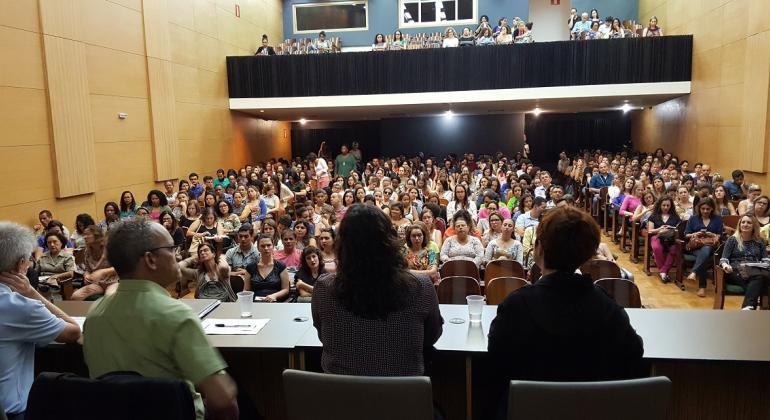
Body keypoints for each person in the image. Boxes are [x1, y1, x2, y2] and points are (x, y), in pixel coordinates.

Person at [487, 207, 644, 418]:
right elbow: (633, 354)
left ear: (539, 250)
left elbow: (496, 362)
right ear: (588, 254)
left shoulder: (516, 305)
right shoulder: (607, 307)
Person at [82, 219, 239, 420]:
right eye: (171, 248)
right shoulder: (176, 315)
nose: (176, 255)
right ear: (150, 259)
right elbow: (223, 399)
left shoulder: (94, 316)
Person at [311, 204, 442, 375]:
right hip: (402, 394)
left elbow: (324, 336)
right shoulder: (421, 286)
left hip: (342, 397)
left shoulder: (324, 288)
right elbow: (432, 336)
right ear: (390, 242)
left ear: (342, 245)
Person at [0, 222, 81, 418]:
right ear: (21, 264)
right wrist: (32, 293)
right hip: (13, 410)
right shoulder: (18, 306)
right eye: (29, 260)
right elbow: (74, 331)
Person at [719, 216, 770, 310]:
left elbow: (765, 259)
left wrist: (766, 263)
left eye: (749, 223)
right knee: (761, 279)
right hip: (735, 270)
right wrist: (726, 266)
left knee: (758, 277)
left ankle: (748, 308)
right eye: (743, 222)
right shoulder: (732, 239)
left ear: (754, 226)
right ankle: (755, 306)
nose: (745, 224)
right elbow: (723, 259)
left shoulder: (760, 241)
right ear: (739, 224)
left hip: (755, 269)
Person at [684, 198, 724, 297]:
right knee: (703, 256)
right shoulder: (693, 218)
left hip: (711, 247)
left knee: (706, 250)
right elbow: (686, 235)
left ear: (712, 209)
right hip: (695, 247)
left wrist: (711, 234)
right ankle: (702, 287)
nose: (705, 211)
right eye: (703, 209)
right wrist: (696, 233)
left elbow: (720, 235)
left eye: (708, 209)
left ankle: (694, 273)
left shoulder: (717, 219)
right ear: (699, 208)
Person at [71, 226, 119, 301]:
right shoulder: (87, 251)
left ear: (96, 235)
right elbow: (87, 269)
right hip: (97, 284)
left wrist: (103, 272)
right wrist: (86, 275)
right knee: (75, 296)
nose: (84, 237)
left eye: (87, 234)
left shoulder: (109, 248)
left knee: (109, 298)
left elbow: (121, 267)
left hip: (113, 282)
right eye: (84, 235)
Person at [647, 197, 682, 284]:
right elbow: (650, 230)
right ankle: (664, 272)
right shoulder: (653, 216)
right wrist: (659, 229)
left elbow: (679, 229)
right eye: (664, 205)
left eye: (668, 205)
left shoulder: (675, 217)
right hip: (657, 236)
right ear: (659, 205)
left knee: (674, 249)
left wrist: (671, 230)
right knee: (656, 247)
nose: (666, 207)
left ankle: (663, 271)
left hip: (670, 238)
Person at [246, 233, 290, 301]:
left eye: (268, 245)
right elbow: (246, 290)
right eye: (262, 246)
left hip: (275, 302)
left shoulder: (281, 266)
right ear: (258, 248)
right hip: (255, 303)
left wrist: (274, 296)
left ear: (273, 246)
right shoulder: (250, 267)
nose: (266, 248)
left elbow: (286, 289)